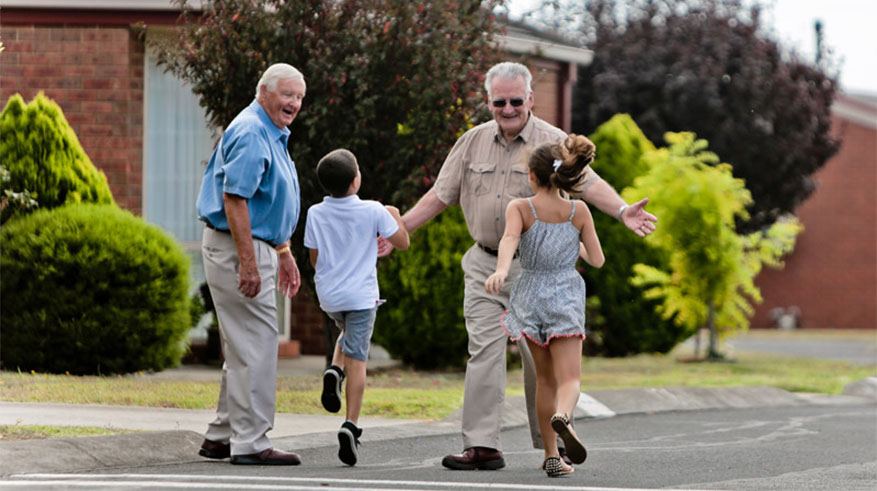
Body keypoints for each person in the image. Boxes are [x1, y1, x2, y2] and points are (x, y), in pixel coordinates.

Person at [379, 61, 657, 470]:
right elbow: (440, 195)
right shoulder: (471, 142)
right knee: (483, 352)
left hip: (536, 271)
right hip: (483, 264)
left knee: (538, 362)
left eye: (515, 101)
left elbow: (590, 184)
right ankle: (482, 445)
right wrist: (399, 231)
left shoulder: (551, 142)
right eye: (498, 102)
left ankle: (554, 444)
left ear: (530, 99)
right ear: (488, 101)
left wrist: (621, 212)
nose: (507, 109)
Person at [195, 63, 306, 465]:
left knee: (243, 345)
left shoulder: (269, 131)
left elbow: (265, 202)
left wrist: (283, 251)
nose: (293, 103)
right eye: (287, 94)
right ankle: (252, 443)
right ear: (264, 92)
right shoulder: (252, 131)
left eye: (298, 97)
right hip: (238, 248)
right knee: (257, 347)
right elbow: (235, 199)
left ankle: (222, 436)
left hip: (256, 246)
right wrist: (248, 263)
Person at [485, 134, 604, 477]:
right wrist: (574, 246)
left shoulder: (520, 208)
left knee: (545, 382)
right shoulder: (578, 211)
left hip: (530, 295)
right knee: (569, 380)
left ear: (532, 176)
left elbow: (509, 239)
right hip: (564, 295)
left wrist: (501, 270)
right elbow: (596, 260)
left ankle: (552, 455)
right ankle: (564, 417)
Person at [304, 149, 410, 466]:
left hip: (330, 295)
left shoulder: (315, 213)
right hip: (361, 297)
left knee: (347, 334)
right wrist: (393, 213)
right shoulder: (374, 210)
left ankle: (334, 371)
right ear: (356, 180)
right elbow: (402, 241)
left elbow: (314, 257)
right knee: (358, 359)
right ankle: (351, 424)